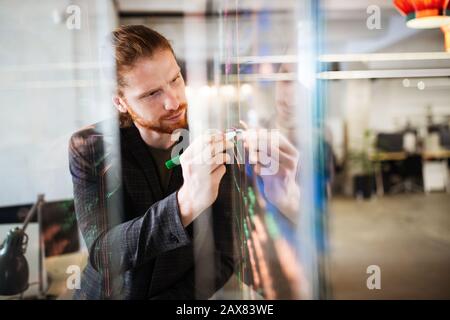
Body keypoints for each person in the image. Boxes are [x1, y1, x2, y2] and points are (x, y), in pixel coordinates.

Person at [68, 25, 235, 299]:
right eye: (151, 94)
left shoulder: (213, 141)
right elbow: (104, 252)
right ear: (120, 103)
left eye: (175, 79)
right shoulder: (91, 146)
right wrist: (185, 205)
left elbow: (227, 253)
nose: (174, 102)